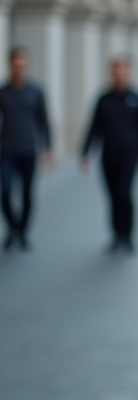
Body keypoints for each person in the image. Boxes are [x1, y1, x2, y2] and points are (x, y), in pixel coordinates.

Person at [82, 58, 138, 253]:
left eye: (124, 72)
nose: (120, 76)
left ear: (130, 74)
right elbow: (94, 127)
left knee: (125, 193)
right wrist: (86, 153)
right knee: (112, 196)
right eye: (116, 72)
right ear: (112, 74)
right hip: (109, 155)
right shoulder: (104, 99)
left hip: (130, 154)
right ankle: (115, 235)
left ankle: (128, 236)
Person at [0, 47, 53, 251]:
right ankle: (12, 227)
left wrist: (48, 147)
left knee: (27, 194)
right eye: (15, 64)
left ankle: (22, 233)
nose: (19, 68)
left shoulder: (36, 91)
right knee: (5, 192)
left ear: (27, 65)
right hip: (6, 149)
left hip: (29, 149)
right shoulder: (3, 92)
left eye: (23, 65)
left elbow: (43, 120)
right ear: (10, 65)